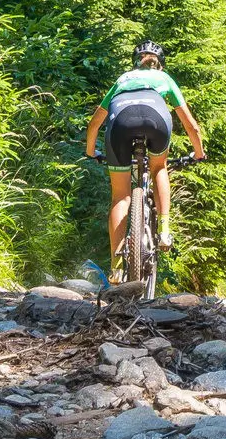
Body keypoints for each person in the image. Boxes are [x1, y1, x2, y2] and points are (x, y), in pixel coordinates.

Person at [84, 40, 205, 270]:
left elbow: (94, 124)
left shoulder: (123, 79)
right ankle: (165, 230)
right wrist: (198, 153)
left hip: (120, 122)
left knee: (120, 197)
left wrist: (91, 152)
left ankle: (117, 265)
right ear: (160, 64)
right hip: (156, 119)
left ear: (135, 63)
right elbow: (191, 125)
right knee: (159, 167)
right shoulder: (165, 78)